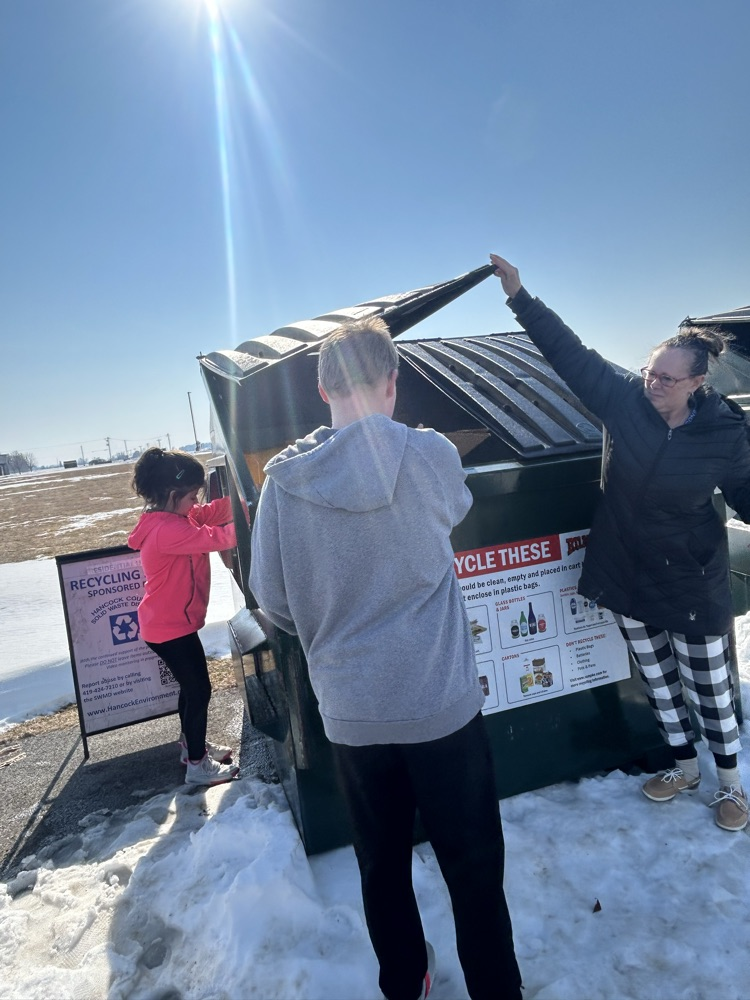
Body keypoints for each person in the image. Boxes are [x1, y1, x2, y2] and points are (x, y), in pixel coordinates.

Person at [248, 318, 522, 1000]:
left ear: (322, 390)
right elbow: (456, 509)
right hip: (441, 703)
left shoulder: (283, 483)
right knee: (474, 866)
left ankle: (405, 981)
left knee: (381, 863)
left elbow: (271, 599)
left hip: (353, 712)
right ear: (393, 382)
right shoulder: (430, 455)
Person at [490, 252, 750, 832]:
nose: (652, 383)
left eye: (667, 379)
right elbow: (571, 355)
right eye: (650, 371)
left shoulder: (725, 432)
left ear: (697, 383)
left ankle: (731, 784)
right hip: (626, 569)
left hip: (690, 578)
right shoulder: (624, 401)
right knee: (658, 680)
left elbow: (745, 492)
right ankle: (684, 767)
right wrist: (520, 297)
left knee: (709, 687)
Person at [129, 447, 240, 787]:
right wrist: (252, 518)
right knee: (199, 691)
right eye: (192, 496)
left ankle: (191, 746)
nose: (196, 503)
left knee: (190, 690)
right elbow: (219, 536)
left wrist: (242, 502)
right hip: (170, 629)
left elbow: (210, 513)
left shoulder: (176, 518)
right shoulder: (168, 531)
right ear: (172, 494)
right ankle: (197, 764)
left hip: (170, 625)